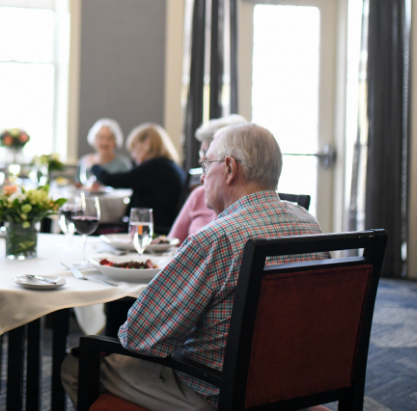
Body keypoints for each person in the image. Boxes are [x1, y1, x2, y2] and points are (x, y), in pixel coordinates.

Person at [61, 123, 329, 410]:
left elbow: (139, 338)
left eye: (206, 165)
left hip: (218, 388)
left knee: (75, 365)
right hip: (292, 379)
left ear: (229, 168)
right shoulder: (308, 223)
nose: (202, 177)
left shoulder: (215, 238)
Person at [91, 123, 185, 234]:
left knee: (95, 230)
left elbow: (112, 180)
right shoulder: (169, 165)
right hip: (160, 226)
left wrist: (94, 166)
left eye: (135, 149)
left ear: (147, 143)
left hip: (149, 230)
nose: (134, 155)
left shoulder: (155, 167)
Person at [169, 114, 247, 242]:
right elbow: (171, 243)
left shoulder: (241, 211)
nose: (201, 160)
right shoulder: (198, 195)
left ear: (229, 165)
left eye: (206, 154)